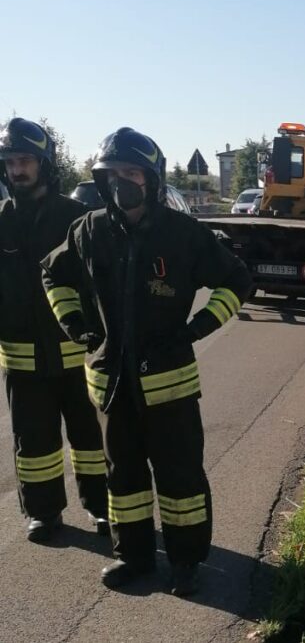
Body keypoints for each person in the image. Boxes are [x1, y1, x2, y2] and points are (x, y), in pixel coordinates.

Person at [41, 128, 252, 596]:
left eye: (130, 173)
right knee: (124, 480)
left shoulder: (182, 234)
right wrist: (76, 327)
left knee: (181, 482)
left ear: (151, 179)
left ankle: (186, 563)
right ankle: (132, 558)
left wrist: (199, 328)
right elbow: (52, 274)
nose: (121, 183)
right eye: (111, 174)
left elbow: (237, 281)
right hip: (113, 388)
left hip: (169, 387)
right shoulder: (88, 230)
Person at [0, 118, 108, 542]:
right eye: (9, 162)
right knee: (34, 445)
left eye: (24, 160)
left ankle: (103, 509)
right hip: (21, 360)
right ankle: (44, 513)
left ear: (45, 164)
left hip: (77, 357)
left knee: (90, 442)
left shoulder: (77, 217)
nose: (16, 170)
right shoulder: (1, 220)